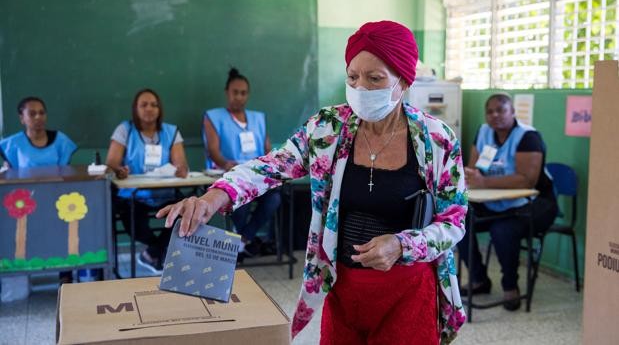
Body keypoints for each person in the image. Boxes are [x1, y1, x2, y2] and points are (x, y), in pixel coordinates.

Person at [158, 21, 468, 344]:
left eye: (374, 78)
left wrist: (403, 245)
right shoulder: (328, 129)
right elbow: (270, 166)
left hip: (407, 293)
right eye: (352, 77)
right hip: (344, 290)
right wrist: (214, 197)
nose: (360, 88)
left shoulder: (436, 140)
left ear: (403, 81)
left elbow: (454, 221)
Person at [458, 93, 558, 311]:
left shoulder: (528, 137)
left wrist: (484, 182)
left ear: (512, 112)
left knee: (502, 230)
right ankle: (478, 279)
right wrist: (471, 176)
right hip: (495, 199)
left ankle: (510, 287)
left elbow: (527, 180)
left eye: (501, 110)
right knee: (458, 218)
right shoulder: (484, 132)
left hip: (535, 203)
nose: (495, 115)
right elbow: (475, 169)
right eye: (490, 111)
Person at [106, 88, 188, 274]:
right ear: (135, 108)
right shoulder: (124, 130)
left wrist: (181, 169)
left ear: (160, 109)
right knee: (135, 224)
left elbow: (181, 165)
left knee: (186, 208)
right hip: (133, 196)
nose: (149, 109)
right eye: (144, 105)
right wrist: (119, 170)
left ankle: (152, 253)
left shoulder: (171, 131)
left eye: (154, 105)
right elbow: (111, 165)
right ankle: (157, 249)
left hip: (165, 193)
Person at [202, 68, 280, 256]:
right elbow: (213, 150)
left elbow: (267, 149)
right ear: (227, 93)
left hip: (257, 176)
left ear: (248, 95)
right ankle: (242, 242)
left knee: (275, 198)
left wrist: (273, 168)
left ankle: (242, 240)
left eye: (243, 93)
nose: (239, 97)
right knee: (241, 202)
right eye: (235, 92)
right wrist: (227, 164)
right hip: (231, 176)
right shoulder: (213, 117)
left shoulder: (258, 118)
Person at [0, 97, 77, 285]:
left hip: (56, 199)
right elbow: (9, 174)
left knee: (64, 229)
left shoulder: (61, 141)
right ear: (21, 118)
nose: (38, 117)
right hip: (25, 204)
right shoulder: (12, 144)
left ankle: (65, 276)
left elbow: (65, 172)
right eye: (32, 113)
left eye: (42, 112)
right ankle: (20, 274)